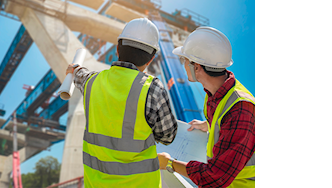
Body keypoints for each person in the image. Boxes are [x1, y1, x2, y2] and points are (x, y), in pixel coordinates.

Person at [65, 18, 178, 188]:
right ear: (151, 59)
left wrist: (74, 70)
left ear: (117, 49)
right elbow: (168, 136)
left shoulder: (92, 82)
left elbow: (80, 75)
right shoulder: (152, 89)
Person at [157, 26, 255, 188]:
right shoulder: (215, 94)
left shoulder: (241, 108)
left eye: (185, 60)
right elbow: (227, 122)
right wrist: (209, 125)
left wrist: (169, 163)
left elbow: (216, 178)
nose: (183, 64)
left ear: (196, 67)